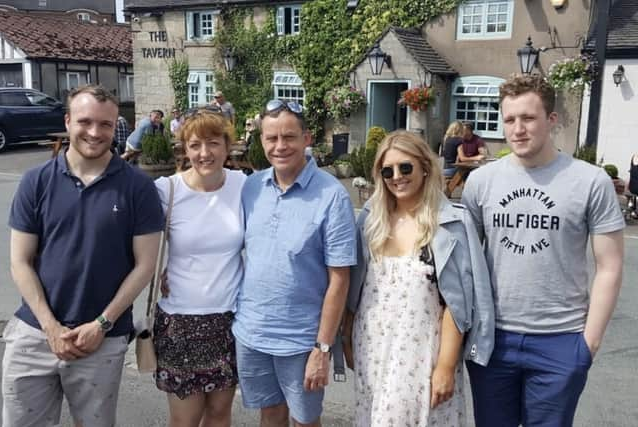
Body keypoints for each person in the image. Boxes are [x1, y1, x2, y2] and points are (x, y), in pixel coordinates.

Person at [461, 74, 625, 427]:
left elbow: (609, 266)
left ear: (551, 120)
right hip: (492, 339)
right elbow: (464, 262)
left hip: (561, 339)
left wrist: (588, 344)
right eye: (509, 120)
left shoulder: (589, 181)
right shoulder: (481, 182)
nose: (518, 129)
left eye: (528, 118)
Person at [3, 85, 164, 427]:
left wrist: (101, 325)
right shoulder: (36, 182)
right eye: (85, 121)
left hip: (101, 339)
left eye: (105, 124)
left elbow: (145, 265)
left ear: (115, 126)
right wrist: (50, 327)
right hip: (34, 334)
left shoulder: (138, 187)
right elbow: (20, 261)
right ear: (68, 121)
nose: (95, 132)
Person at [342, 130, 494, 426]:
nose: (396, 176)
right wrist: (346, 337)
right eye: (387, 171)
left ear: (425, 167)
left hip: (422, 354)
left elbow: (456, 303)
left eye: (405, 167)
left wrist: (446, 366)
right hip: (372, 349)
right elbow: (357, 288)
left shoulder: (450, 223)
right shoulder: (371, 220)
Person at [232, 99, 356, 427]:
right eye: (271, 138)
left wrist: (323, 347)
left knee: (304, 420)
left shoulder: (332, 196)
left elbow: (340, 279)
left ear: (307, 138)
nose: (280, 146)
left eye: (289, 137)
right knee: (269, 414)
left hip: (302, 338)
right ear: (261, 141)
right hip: (253, 331)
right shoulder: (252, 186)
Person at [153, 109, 246, 427]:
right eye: (195, 145)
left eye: (213, 143)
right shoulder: (167, 191)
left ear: (226, 145)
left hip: (228, 320)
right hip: (180, 322)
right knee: (185, 419)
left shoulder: (244, 185)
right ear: (185, 148)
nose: (204, 153)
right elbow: (136, 240)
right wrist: (158, 268)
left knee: (220, 414)